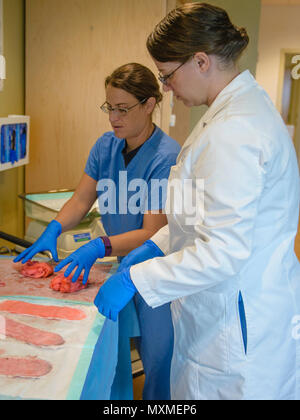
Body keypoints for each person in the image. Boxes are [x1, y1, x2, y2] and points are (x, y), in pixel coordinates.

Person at [94, 3, 300, 400]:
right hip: (223, 318)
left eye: (167, 75)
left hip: (239, 338)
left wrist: (136, 277)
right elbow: (198, 218)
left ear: (201, 61)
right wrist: (156, 245)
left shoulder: (235, 131)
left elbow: (223, 250)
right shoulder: (224, 117)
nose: (165, 88)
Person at [14, 63, 181, 400]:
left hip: (154, 270)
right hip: (118, 265)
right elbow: (80, 200)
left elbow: (152, 232)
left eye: (123, 109)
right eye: (109, 108)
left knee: (158, 361)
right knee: (113, 355)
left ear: (149, 104)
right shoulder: (105, 146)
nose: (113, 118)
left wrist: (97, 246)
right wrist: (53, 228)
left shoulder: (166, 157)